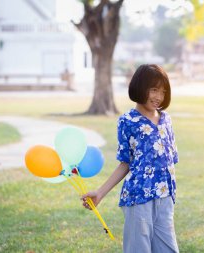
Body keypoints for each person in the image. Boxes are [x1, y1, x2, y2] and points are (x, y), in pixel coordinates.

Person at [82, 64, 179, 253]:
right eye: (154, 90)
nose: (158, 96)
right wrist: (100, 193)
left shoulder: (166, 120)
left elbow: (169, 160)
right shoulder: (128, 121)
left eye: (162, 91)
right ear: (140, 88)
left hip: (165, 198)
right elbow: (125, 163)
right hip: (139, 199)